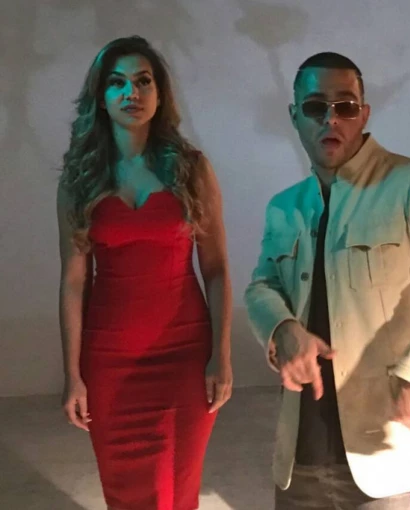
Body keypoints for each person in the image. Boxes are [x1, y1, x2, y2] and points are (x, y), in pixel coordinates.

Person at [244, 52, 410, 509]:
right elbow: (262, 285)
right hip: (301, 459)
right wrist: (282, 328)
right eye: (315, 107)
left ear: (363, 114)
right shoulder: (285, 206)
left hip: (389, 455)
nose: (330, 119)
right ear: (295, 115)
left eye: (344, 106)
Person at [57, 36, 233, 510]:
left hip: (184, 354)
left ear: (159, 94)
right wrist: (72, 374)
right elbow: (73, 282)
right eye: (117, 83)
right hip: (108, 359)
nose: (131, 92)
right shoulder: (80, 179)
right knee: (127, 492)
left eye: (142, 81)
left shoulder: (192, 170)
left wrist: (222, 356)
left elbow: (216, 270)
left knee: (177, 489)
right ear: (101, 97)